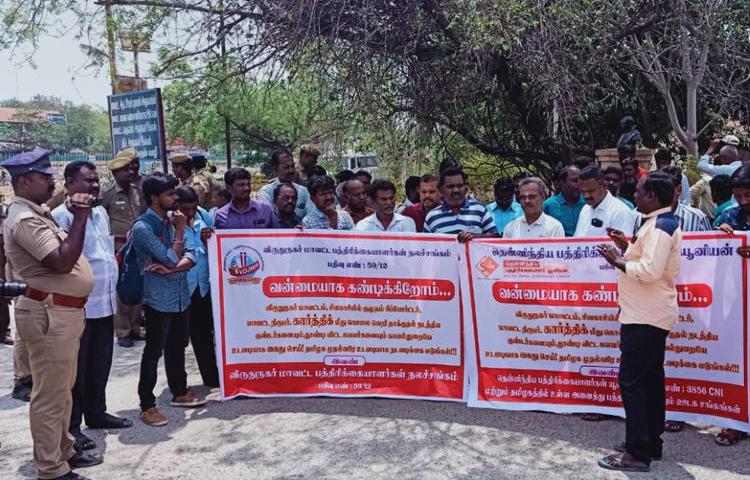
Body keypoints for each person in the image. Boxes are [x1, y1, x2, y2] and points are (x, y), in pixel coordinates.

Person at [2, 148, 102, 479]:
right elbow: (60, 261)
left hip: (61, 312)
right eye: (45, 178)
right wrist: (81, 218)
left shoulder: (37, 211)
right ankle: (51, 468)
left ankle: (63, 451)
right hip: (49, 313)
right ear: (25, 180)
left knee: (62, 390)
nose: (52, 182)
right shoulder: (24, 218)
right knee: (49, 395)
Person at [597, 171, 682, 473]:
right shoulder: (655, 224)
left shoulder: (660, 226)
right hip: (646, 314)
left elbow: (648, 271)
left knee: (632, 383)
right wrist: (626, 245)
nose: (634, 195)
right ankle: (649, 442)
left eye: (640, 191)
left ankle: (636, 453)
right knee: (649, 381)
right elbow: (648, 260)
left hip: (645, 317)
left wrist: (616, 260)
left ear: (653, 197)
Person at [51, 161, 132, 453]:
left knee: (100, 364)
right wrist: (79, 217)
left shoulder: (99, 212)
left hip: (104, 302)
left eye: (96, 180)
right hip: (78, 305)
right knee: (77, 371)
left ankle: (96, 413)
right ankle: (72, 428)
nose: (94, 186)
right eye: (87, 181)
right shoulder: (60, 216)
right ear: (69, 181)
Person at [133, 173, 206, 428]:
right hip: (157, 299)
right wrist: (178, 233)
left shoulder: (173, 220)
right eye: (170, 194)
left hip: (179, 295)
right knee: (153, 351)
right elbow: (171, 257)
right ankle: (147, 405)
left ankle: (179, 391)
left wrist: (173, 269)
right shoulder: (143, 227)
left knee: (177, 346)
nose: (176, 198)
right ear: (155, 198)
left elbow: (192, 254)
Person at [713, 165, 750, 446]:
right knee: (737, 363)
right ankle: (736, 421)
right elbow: (705, 253)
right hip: (735, 302)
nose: (744, 201)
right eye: (738, 196)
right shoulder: (728, 215)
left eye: (748, 194)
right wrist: (719, 239)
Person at [175, 186, 220, 389]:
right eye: (186, 209)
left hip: (202, 286)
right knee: (179, 338)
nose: (190, 213)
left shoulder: (204, 216)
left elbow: (215, 242)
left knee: (203, 334)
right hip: (181, 286)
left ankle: (211, 378)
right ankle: (178, 383)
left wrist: (208, 239)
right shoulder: (171, 221)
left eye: (193, 208)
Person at [100, 155, 145, 348]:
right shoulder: (107, 194)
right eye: (125, 170)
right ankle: (123, 331)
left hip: (136, 245)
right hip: (118, 247)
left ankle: (135, 327)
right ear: (115, 173)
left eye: (132, 169)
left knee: (137, 287)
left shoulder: (136, 190)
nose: (131, 172)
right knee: (121, 290)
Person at [423, 168, 498, 242]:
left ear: (466, 188)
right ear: (441, 190)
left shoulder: (480, 210)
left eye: (460, 186)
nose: (456, 190)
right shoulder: (432, 217)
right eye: (450, 186)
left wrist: (475, 237)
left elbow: (495, 237)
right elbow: (425, 247)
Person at [574, 166, 635, 238]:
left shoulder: (621, 212)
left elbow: (624, 247)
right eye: (582, 191)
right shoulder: (585, 209)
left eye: (590, 191)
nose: (586, 196)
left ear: (604, 186)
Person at [214, 168, 280, 230]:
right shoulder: (220, 215)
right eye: (241, 185)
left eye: (248, 184)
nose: (246, 188)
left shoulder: (266, 209)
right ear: (229, 188)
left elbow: (278, 236)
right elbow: (217, 239)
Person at [258, 150, 312, 220]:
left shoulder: (304, 192)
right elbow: (267, 216)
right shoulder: (266, 191)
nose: (291, 170)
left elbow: (310, 216)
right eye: (286, 167)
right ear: (275, 169)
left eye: (292, 166)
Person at [659, 166, 711, 232]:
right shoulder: (647, 217)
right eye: (659, 188)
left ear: (679, 190)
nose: (662, 192)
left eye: (667, 188)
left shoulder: (697, 218)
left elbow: (709, 240)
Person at [542, 165, 585, 237]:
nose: (579, 184)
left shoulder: (588, 204)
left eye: (581, 181)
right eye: (575, 180)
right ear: (562, 182)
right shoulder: (548, 205)